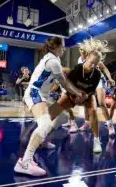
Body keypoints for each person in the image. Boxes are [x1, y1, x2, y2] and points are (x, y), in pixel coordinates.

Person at [14, 37, 85, 176]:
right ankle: (25, 162)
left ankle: (43, 140)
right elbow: (64, 84)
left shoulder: (54, 59)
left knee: (62, 117)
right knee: (45, 124)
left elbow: (61, 76)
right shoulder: (53, 61)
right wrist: (78, 92)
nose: (64, 49)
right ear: (55, 47)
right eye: (62, 47)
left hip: (42, 95)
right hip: (34, 93)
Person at [54, 50, 103, 153]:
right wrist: (75, 95)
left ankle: (96, 140)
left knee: (93, 111)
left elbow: (91, 90)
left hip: (86, 96)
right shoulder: (78, 69)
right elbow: (68, 84)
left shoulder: (97, 74)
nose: (93, 65)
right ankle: (43, 135)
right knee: (54, 110)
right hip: (73, 93)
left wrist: (84, 96)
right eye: (92, 62)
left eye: (96, 63)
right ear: (86, 59)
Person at [63, 39, 115, 136]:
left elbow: (104, 68)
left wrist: (110, 78)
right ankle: (87, 123)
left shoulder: (93, 57)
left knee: (102, 103)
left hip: (99, 80)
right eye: (80, 49)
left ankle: (109, 125)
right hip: (87, 82)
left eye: (82, 49)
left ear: (86, 51)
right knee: (86, 102)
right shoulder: (79, 60)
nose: (81, 51)